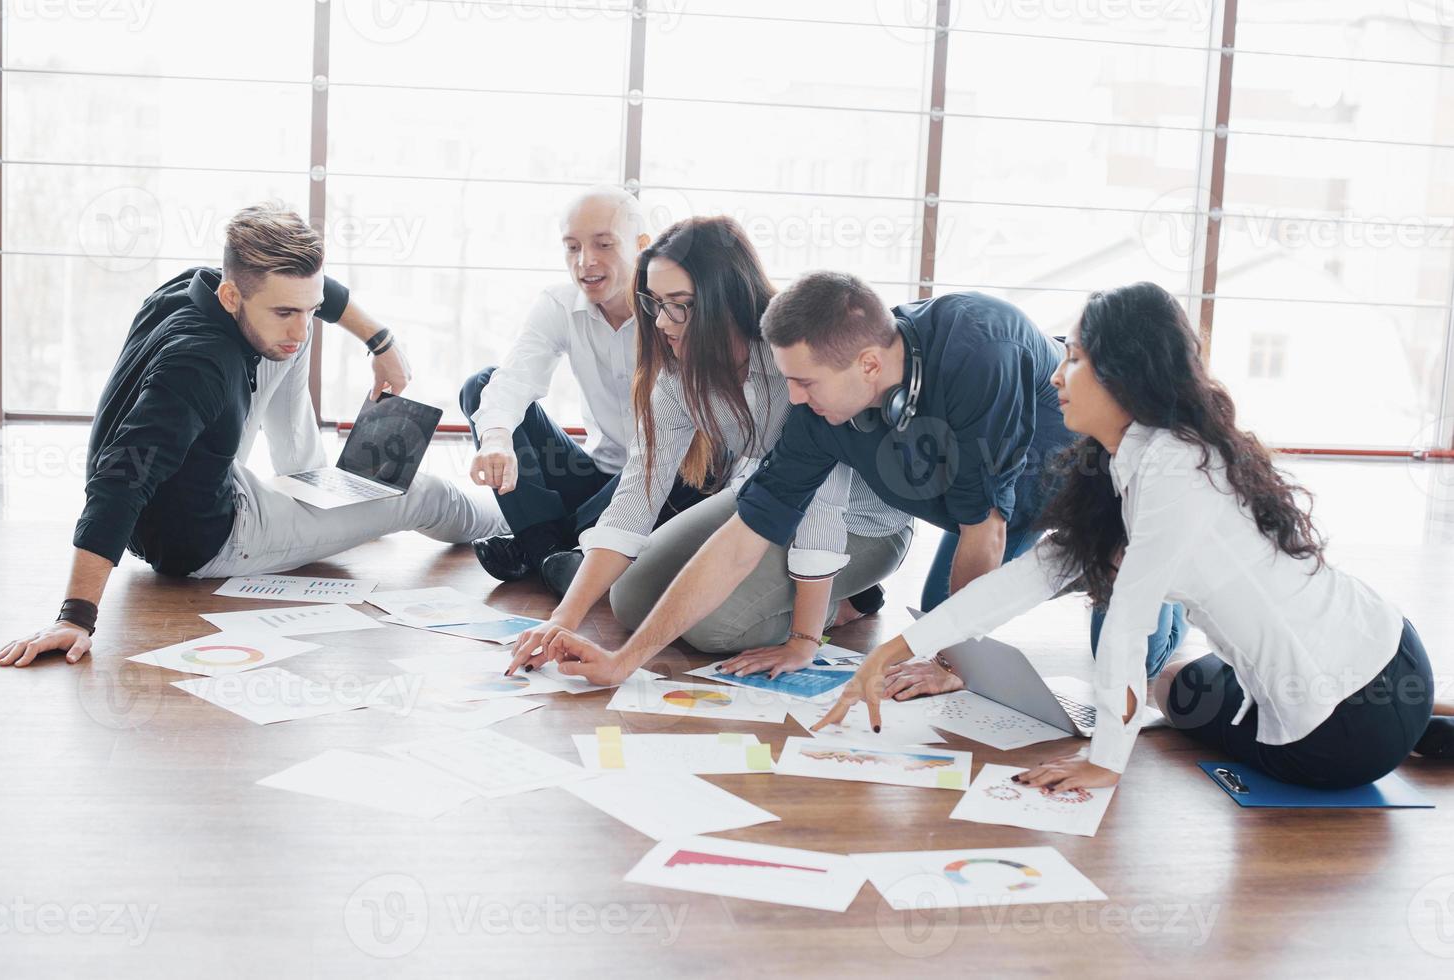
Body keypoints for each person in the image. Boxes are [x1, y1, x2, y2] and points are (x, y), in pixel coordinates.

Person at [819, 281, 1452, 788]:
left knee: (1170, 687)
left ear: (1123, 375)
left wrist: (1103, 761)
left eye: (1075, 358)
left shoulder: (1176, 471)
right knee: (1173, 683)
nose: (1057, 377)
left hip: (1339, 733)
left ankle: (1410, 725)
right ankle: (1422, 718)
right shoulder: (1135, 454)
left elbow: (1127, 624)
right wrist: (896, 648)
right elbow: (1031, 577)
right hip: (1388, 646)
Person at [516, 272, 1180, 688]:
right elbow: (745, 536)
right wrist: (625, 660)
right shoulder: (823, 405)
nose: (791, 398)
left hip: (1082, 490)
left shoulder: (983, 348)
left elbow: (990, 527)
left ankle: (1174, 600)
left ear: (868, 364)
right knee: (938, 613)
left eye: (803, 382)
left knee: (1121, 656)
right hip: (983, 508)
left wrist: (950, 664)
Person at [0, 204, 503, 668]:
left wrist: (381, 341)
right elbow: (120, 481)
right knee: (423, 493)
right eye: (286, 312)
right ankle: (513, 515)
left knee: (288, 343)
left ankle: (312, 483)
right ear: (232, 294)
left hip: (194, 478)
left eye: (309, 308)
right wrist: (75, 616)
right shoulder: (198, 365)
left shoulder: (196, 286)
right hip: (213, 538)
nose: (302, 327)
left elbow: (311, 301)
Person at [507, 218, 912, 671]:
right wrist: (562, 620)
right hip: (763, 501)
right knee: (630, 598)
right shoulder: (677, 376)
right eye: (656, 304)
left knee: (712, 629)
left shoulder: (793, 365)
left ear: (728, 300)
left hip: (860, 522)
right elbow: (636, 497)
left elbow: (823, 508)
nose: (661, 321)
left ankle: (847, 600)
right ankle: (800, 593)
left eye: (679, 306)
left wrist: (803, 638)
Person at [460, 186, 707, 594]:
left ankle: (538, 546)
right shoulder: (560, 304)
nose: (585, 262)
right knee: (482, 385)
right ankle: (556, 553)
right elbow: (515, 378)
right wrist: (497, 437)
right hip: (595, 478)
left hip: (664, 482)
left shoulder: (672, 310)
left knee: (696, 449)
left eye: (604, 245)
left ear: (642, 247)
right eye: (572, 247)